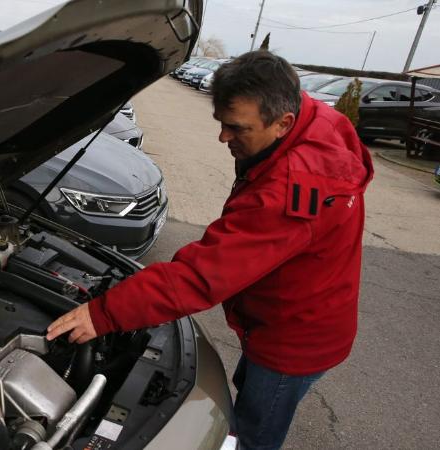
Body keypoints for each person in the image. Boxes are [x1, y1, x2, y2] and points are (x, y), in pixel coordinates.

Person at [45, 51, 373, 450]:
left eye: (237, 128)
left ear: (283, 123)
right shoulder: (315, 119)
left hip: (294, 340)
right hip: (293, 311)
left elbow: (202, 276)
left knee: (252, 435)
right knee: (247, 388)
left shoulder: (290, 192)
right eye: (221, 123)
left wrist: (104, 312)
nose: (223, 138)